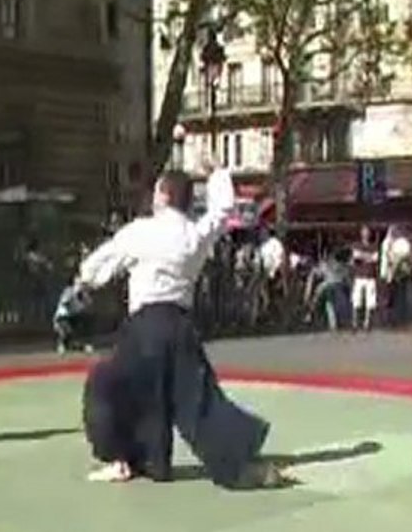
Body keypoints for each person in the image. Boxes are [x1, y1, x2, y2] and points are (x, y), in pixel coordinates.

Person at [76, 163, 286, 489]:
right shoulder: (194, 234)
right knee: (198, 400)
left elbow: (95, 269)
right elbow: (222, 211)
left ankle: (127, 459)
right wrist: (217, 173)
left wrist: (88, 276)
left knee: (110, 387)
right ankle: (245, 467)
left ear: (162, 195)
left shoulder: (141, 231)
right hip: (180, 326)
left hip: (144, 327)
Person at [351, 225, 379, 331]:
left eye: (367, 232)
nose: (366, 234)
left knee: (370, 301)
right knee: (356, 300)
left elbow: (375, 259)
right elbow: (356, 256)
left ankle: (367, 323)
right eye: (364, 232)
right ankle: (355, 322)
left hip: (370, 276)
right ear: (361, 233)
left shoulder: (374, 246)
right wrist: (368, 257)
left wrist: (363, 256)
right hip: (359, 276)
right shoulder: (356, 245)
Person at [52, 282, 94, 354]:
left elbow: (87, 305)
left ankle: (77, 346)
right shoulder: (70, 291)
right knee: (67, 331)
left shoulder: (83, 301)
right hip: (61, 317)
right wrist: (71, 299)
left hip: (71, 318)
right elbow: (64, 302)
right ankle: (61, 345)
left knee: (70, 338)